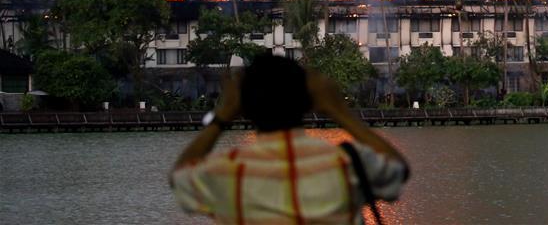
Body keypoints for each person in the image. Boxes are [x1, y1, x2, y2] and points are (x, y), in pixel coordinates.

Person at [170, 54, 409, 224]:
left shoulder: (227, 173)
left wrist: (223, 115)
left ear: (244, 107)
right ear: (308, 101)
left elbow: (180, 175)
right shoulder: (346, 166)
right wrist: (339, 112)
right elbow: (398, 168)